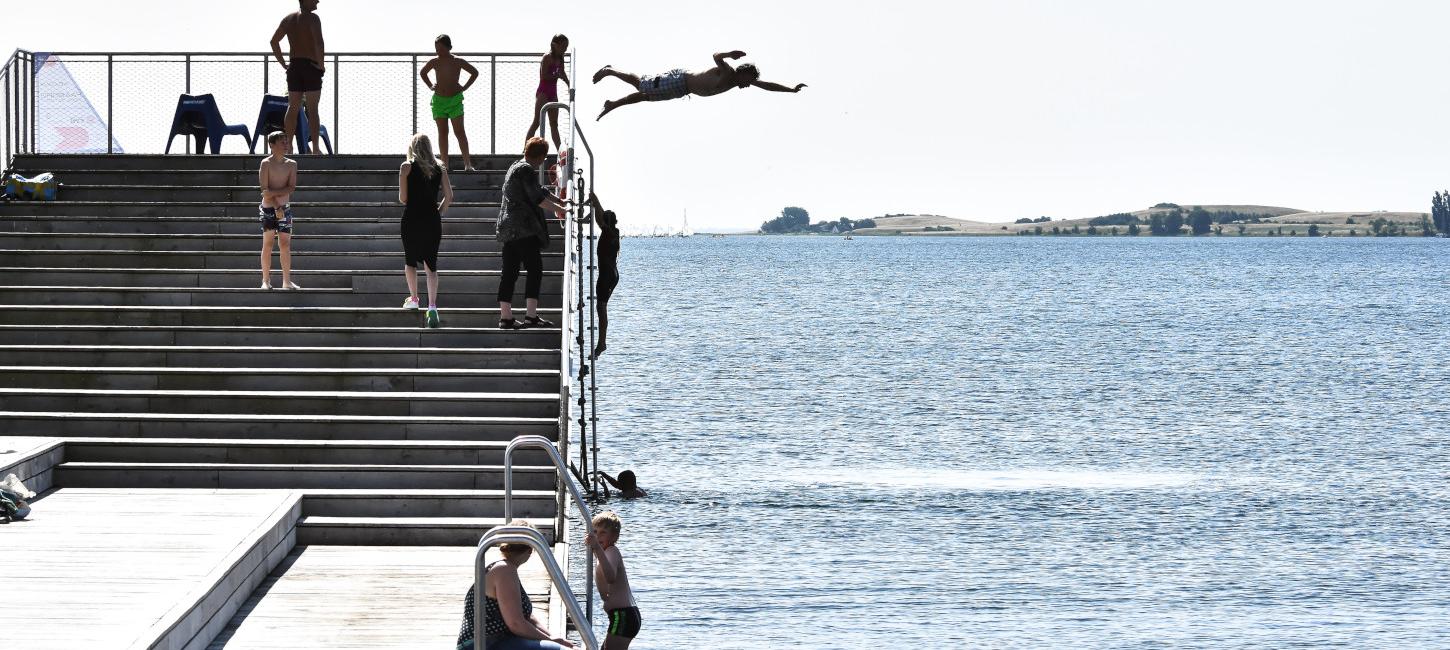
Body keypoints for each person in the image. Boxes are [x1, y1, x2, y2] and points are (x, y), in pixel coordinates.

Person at [456, 520, 574, 650]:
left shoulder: (505, 568)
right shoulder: (504, 571)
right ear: (531, 549)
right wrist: (551, 641)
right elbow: (516, 624)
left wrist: (554, 638)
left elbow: (526, 618)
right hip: (482, 644)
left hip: (497, 641)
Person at [592, 51, 805, 120]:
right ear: (742, 74)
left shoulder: (737, 82)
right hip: (680, 80)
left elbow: (767, 85)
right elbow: (716, 55)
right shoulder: (728, 72)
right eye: (748, 81)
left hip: (683, 90)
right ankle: (610, 72)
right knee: (642, 86)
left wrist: (791, 89)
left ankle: (612, 103)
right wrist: (730, 54)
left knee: (645, 94)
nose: (749, 86)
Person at [496, 137, 567, 330]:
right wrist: (562, 210)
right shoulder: (526, 169)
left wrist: (561, 202)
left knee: (509, 273)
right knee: (535, 270)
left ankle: (506, 318)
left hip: (508, 230)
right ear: (541, 156)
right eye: (544, 157)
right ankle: (531, 315)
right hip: (524, 229)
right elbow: (537, 198)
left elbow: (539, 189)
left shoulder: (516, 166)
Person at [399, 133, 453, 328]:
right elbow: (449, 197)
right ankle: (432, 306)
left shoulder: (406, 167)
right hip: (431, 220)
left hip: (411, 218)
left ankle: (414, 299)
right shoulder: (440, 168)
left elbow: (403, 198)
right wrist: (437, 213)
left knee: (410, 260)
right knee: (431, 265)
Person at [269, 0, 326, 154]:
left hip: (294, 66)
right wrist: (321, 65)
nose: (318, 1)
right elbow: (319, 43)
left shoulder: (289, 19)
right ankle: (315, 148)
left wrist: (284, 64)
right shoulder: (313, 18)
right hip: (310, 66)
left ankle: (289, 148)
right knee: (313, 109)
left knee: (292, 107)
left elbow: (274, 42)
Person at [421, 34, 480, 171]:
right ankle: (445, 165)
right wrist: (430, 85)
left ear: (448, 47)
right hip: (439, 101)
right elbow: (423, 72)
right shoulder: (434, 61)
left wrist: (464, 87)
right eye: (436, 48)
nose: (438, 51)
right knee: (443, 132)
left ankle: (467, 164)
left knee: (459, 131)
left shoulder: (457, 61)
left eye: (441, 48)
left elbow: (474, 72)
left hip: (455, 101)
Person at [586, 512, 641, 649]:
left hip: (623, 615)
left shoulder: (612, 551)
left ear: (615, 536)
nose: (598, 536)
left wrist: (597, 548)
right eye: (595, 531)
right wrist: (595, 549)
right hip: (621, 615)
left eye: (603, 532)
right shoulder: (605, 553)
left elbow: (610, 577)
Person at [258, 131, 301, 290]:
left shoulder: (291, 164)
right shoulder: (266, 164)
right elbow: (264, 190)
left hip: (285, 208)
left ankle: (286, 281)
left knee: (285, 244)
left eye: (287, 142)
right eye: (282, 142)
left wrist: (274, 196)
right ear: (272, 145)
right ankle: (265, 280)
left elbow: (291, 187)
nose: (286, 145)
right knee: (268, 243)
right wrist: (276, 205)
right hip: (269, 208)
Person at [527, 34, 571, 151]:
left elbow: (563, 73)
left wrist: (568, 84)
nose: (565, 49)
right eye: (563, 46)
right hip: (543, 92)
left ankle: (560, 152)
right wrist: (555, 75)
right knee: (537, 122)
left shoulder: (560, 59)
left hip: (553, 93)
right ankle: (526, 149)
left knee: (554, 124)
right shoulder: (547, 57)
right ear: (554, 45)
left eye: (566, 47)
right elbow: (544, 76)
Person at [587, 192, 619, 357]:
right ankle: (601, 342)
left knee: (601, 308)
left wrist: (595, 199)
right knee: (602, 307)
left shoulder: (608, 233)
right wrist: (594, 203)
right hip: (612, 274)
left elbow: (599, 218)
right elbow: (601, 218)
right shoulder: (614, 233)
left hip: (606, 276)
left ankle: (601, 343)